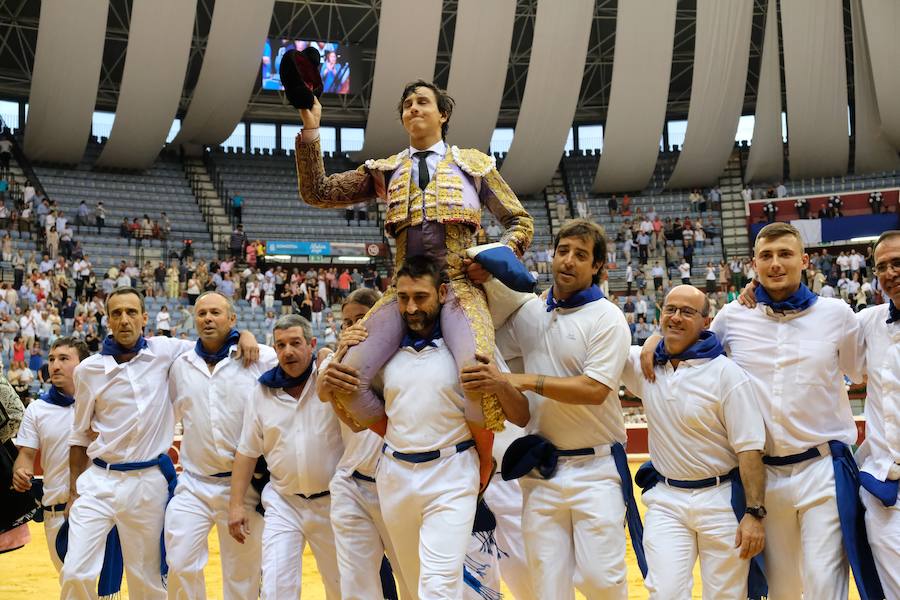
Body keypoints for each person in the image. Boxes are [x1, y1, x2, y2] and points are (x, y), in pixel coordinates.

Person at [294, 79, 533, 448]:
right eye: (407, 104)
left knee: (478, 377)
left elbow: (520, 221)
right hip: (402, 292)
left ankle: (481, 464)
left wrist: (495, 258)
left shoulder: (473, 165)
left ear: (443, 114)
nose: (414, 109)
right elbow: (318, 192)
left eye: (423, 102)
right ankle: (401, 445)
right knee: (343, 377)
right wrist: (311, 127)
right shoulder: (386, 171)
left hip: (459, 287)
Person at [649, 223, 879, 600]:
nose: (775, 264)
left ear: (804, 260)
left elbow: (857, 371)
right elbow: (688, 340)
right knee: (782, 588)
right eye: (766, 257)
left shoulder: (838, 315)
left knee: (825, 581)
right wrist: (655, 340)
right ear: (753, 264)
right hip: (764, 476)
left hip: (821, 467)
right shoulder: (731, 317)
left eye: (785, 255)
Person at [319, 255, 529, 598]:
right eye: (403, 298)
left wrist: (485, 458)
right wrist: (340, 359)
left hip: (453, 470)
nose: (412, 308)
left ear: (443, 293)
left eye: (420, 297)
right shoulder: (383, 357)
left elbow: (511, 414)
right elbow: (353, 418)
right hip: (395, 473)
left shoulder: (466, 349)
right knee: (417, 585)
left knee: (438, 585)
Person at [467, 219, 642, 598]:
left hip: (596, 470)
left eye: (581, 255)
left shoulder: (607, 318)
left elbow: (595, 390)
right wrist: (482, 276)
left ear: (597, 266)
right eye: (563, 251)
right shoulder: (529, 314)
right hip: (542, 469)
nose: (568, 261)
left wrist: (526, 381)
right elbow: (522, 413)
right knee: (548, 585)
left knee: (602, 582)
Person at [59, 287, 257, 599]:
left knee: (147, 578)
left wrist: (242, 333)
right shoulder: (88, 370)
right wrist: (72, 491)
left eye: (131, 312)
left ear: (144, 318)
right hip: (99, 479)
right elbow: (80, 433)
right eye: (116, 313)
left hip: (148, 482)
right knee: (74, 571)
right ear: (106, 320)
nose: (124, 320)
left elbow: (212, 336)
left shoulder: (167, 350)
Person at [621, 286, 767, 599]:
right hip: (666, 500)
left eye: (687, 312)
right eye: (670, 309)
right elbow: (601, 343)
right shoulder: (645, 365)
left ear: (706, 321)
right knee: (664, 592)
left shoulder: (727, 375)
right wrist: (651, 342)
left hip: (721, 500)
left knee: (726, 595)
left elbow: (750, 449)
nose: (675, 317)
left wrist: (754, 513)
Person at [164, 292, 276, 599]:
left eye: (215, 312)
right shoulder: (181, 365)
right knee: (180, 561)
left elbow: (298, 366)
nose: (208, 318)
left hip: (243, 487)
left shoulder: (260, 357)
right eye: (201, 314)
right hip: (194, 483)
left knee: (242, 575)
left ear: (232, 320)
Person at [228, 314, 343, 599]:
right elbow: (246, 452)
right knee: (276, 589)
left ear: (311, 344)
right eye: (281, 345)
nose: (288, 351)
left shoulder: (330, 378)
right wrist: (235, 506)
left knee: (341, 587)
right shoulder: (262, 391)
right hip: (283, 502)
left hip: (334, 503)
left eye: (295, 343)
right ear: (275, 349)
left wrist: (330, 353)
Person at [315, 287, 413, 599]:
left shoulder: (404, 358)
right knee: (356, 582)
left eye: (362, 318)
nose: (354, 326)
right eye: (347, 322)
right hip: (351, 481)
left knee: (411, 577)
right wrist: (342, 351)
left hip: (398, 482)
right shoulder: (337, 359)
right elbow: (322, 388)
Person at [12, 338, 89, 576]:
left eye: (64, 359)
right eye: (52, 359)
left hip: (99, 509)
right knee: (72, 584)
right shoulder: (37, 409)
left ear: (83, 365)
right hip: (56, 514)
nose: (55, 365)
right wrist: (20, 472)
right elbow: (25, 455)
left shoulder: (100, 403)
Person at [854, 230, 900, 597]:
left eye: (898, 262)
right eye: (882, 266)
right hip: (888, 489)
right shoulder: (869, 322)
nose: (890, 272)